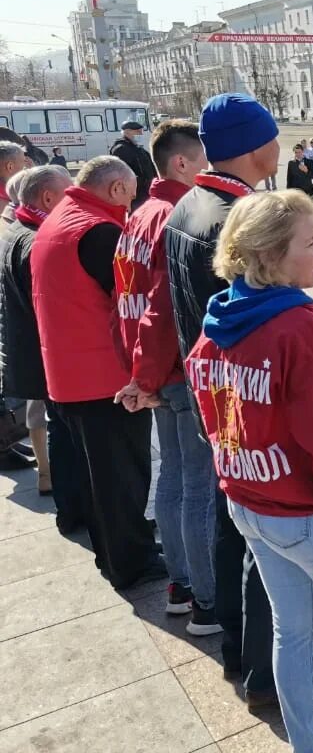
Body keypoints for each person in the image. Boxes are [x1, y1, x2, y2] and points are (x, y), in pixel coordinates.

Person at [189, 191, 313, 753]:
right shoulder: (299, 330)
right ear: (270, 255)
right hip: (305, 514)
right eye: (311, 243)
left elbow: (213, 419)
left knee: (293, 632)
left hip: (249, 504)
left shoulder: (220, 318)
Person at [166, 93, 313, 709]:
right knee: (264, 555)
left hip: (220, 406)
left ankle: (244, 658)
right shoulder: (241, 218)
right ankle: (263, 673)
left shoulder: (186, 203)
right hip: (255, 413)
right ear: (257, 147)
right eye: (274, 138)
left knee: (236, 531)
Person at [31, 156, 163, 589]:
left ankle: (116, 552)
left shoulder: (58, 221)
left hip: (67, 374)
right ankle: (131, 561)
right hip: (102, 378)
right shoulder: (98, 231)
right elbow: (129, 302)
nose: (132, 202)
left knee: (99, 478)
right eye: (130, 193)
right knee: (122, 478)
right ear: (116, 190)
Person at [111, 120, 221, 633]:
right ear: (182, 163)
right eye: (204, 157)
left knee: (175, 478)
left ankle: (180, 583)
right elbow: (160, 307)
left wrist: (139, 372)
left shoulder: (139, 216)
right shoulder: (177, 215)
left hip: (155, 367)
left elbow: (125, 303)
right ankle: (207, 598)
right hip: (174, 369)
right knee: (197, 484)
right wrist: (148, 375)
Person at [0, 165, 80, 511]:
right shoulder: (35, 239)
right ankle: (69, 501)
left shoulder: (15, 228)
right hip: (44, 352)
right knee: (62, 430)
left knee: (49, 422)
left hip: (30, 349)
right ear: (48, 198)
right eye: (70, 193)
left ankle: (57, 486)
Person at [109, 120, 158, 211]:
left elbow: (151, 167)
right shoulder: (121, 149)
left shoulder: (139, 149)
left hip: (147, 191)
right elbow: (121, 172)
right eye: (138, 132)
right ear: (127, 132)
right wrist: (140, 181)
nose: (141, 135)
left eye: (141, 132)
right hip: (134, 193)